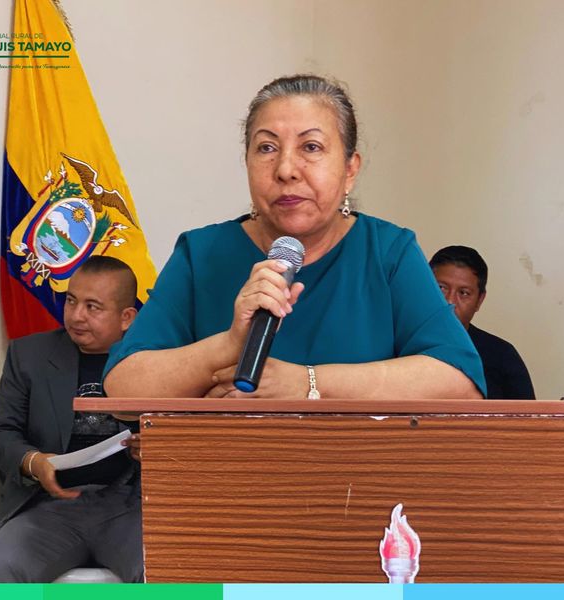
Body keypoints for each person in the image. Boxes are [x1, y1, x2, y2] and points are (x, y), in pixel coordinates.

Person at [103, 74, 486, 400]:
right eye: (267, 148)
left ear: (350, 169)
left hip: (357, 465)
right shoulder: (201, 254)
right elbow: (123, 389)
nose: (286, 169)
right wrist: (230, 344)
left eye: (311, 147)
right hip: (226, 464)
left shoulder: (388, 252)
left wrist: (306, 383)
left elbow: (459, 382)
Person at [0, 256, 144, 583]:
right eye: (71, 301)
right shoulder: (29, 355)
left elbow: (186, 436)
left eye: (93, 307)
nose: (77, 315)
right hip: (49, 505)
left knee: (169, 573)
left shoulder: (154, 361)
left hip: (131, 506)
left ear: (126, 317)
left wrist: (155, 448)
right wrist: (32, 462)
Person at [429, 245, 536, 400]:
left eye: (464, 293)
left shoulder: (502, 356)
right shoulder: (399, 346)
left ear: (479, 300)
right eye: (441, 288)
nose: (450, 301)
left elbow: (528, 415)